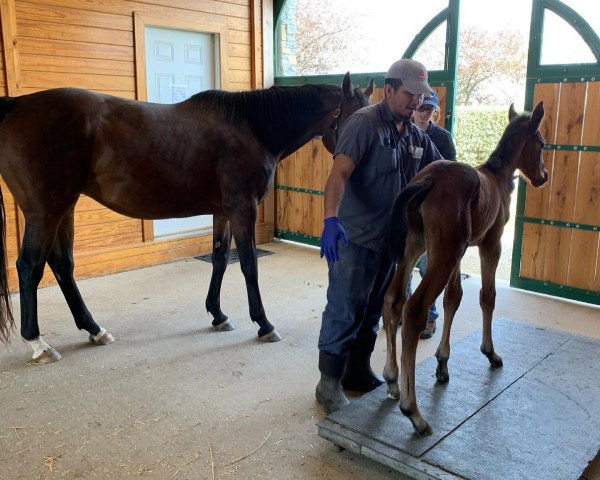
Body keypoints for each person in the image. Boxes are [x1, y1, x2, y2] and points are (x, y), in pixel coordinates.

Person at [316, 59, 443, 414]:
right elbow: (338, 175)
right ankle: (327, 385)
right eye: (409, 94)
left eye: (421, 96)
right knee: (345, 308)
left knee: (374, 310)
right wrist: (330, 220)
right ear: (388, 91)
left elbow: (440, 168)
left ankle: (357, 372)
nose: (416, 102)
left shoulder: (415, 135)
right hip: (354, 238)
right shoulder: (364, 124)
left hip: (391, 243)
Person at [410, 90, 457, 339]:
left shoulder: (442, 137)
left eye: (430, 110)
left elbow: (452, 171)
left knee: (428, 266)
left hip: (432, 210)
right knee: (402, 263)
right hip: (407, 208)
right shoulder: (402, 133)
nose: (425, 113)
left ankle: (428, 317)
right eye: (422, 109)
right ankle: (406, 312)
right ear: (415, 109)